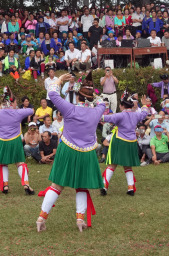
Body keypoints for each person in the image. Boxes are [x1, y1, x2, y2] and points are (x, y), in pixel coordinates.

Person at [36, 72, 107, 233]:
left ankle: (41, 218)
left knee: (57, 186)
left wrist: (60, 80)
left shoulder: (70, 109)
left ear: (77, 97)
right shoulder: (97, 111)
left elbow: (52, 93)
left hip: (67, 149)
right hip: (87, 153)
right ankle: (80, 220)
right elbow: (102, 101)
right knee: (82, 186)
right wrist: (93, 94)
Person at [0, 87, 35, 194]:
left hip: (1, 141)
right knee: (20, 162)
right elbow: (31, 110)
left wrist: (1, 108)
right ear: (13, 103)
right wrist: (16, 109)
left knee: (4, 163)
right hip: (14, 140)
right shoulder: (18, 112)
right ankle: (26, 184)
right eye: (15, 102)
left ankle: (5, 185)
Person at [100, 91, 149, 196]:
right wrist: (144, 105)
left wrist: (93, 113)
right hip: (131, 142)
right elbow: (144, 114)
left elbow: (105, 118)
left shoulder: (120, 115)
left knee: (112, 164)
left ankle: (104, 186)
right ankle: (130, 188)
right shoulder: (136, 115)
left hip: (120, 141)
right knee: (128, 166)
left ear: (122, 106)